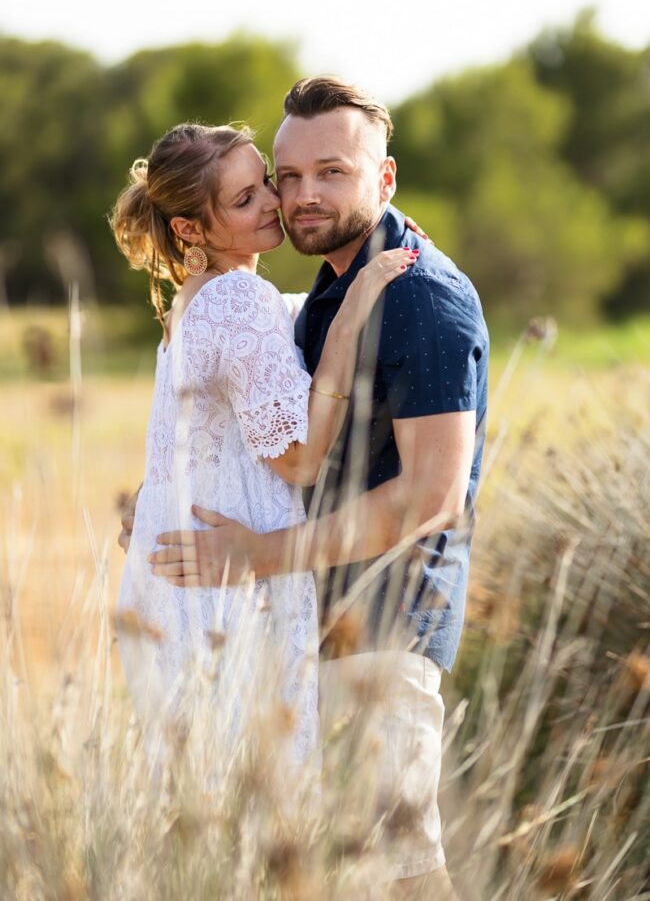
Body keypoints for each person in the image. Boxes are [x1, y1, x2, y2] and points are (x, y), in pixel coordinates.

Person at [138, 80, 489, 898]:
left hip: (382, 624)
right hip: (305, 630)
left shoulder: (423, 299)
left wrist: (260, 554)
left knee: (407, 872)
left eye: (330, 172)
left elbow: (431, 496)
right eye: (284, 177)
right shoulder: (326, 287)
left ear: (386, 179)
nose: (298, 197)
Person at [109, 121, 417, 780]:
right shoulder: (240, 299)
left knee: (203, 798)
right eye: (245, 199)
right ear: (193, 230)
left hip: (177, 578)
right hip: (227, 584)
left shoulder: (192, 302)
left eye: (265, 184)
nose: (275, 203)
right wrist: (354, 307)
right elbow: (301, 460)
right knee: (260, 794)